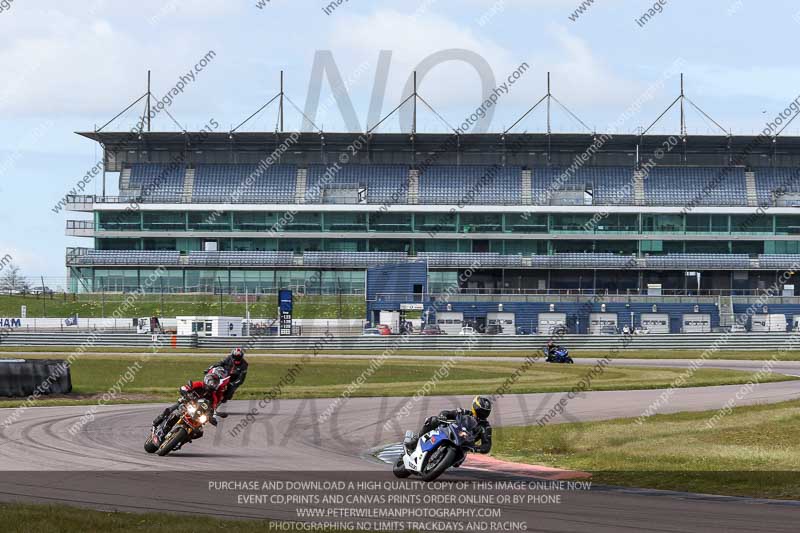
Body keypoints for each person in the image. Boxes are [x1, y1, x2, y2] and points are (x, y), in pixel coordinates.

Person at [405, 396, 493, 454]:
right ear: (475, 408)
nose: (482, 413)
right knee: (434, 420)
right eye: (481, 410)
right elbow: (447, 413)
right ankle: (416, 440)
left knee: (457, 463)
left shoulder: (486, 427)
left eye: (485, 411)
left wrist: (476, 448)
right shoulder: (465, 413)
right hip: (451, 432)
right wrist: (443, 416)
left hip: (464, 445)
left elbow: (487, 445)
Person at [152, 372, 226, 433]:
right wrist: (186, 392)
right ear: (207, 380)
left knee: (199, 432)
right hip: (187, 404)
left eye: (215, 383)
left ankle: (182, 439)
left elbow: (213, 408)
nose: (212, 384)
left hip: (198, 414)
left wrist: (213, 418)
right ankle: (158, 421)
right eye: (212, 382)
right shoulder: (199, 384)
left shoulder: (213, 397)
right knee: (173, 408)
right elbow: (184, 388)